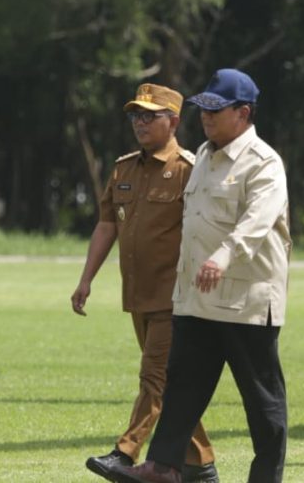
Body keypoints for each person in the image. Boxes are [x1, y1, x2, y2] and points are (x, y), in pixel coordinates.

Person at [110, 68, 291, 483]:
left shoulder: (264, 163)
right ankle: (163, 467)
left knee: (262, 402)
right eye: (203, 108)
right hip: (196, 298)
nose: (206, 116)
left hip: (245, 302)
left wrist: (223, 257)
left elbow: (256, 222)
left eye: (216, 109)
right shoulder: (205, 156)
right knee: (181, 388)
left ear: (243, 113)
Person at [71, 83, 218, 482]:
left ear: (173, 122)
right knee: (170, 384)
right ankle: (201, 463)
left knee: (154, 377)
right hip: (138, 294)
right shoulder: (123, 168)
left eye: (150, 116)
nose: (140, 123)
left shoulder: (190, 170)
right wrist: (86, 279)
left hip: (176, 297)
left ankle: (125, 451)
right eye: (136, 115)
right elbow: (107, 225)